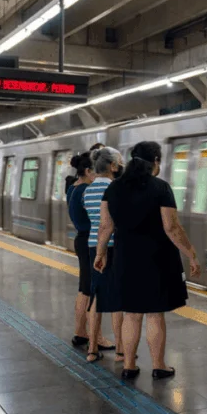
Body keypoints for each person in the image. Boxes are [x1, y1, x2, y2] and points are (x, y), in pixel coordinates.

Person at [94, 141, 200, 380]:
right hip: (157, 258)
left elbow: (105, 226)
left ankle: (129, 366)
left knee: (131, 314)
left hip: (125, 257)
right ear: (155, 161)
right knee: (154, 314)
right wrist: (191, 253)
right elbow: (171, 227)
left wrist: (100, 254)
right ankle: (159, 365)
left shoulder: (113, 189)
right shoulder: (161, 188)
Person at [83, 148, 122, 362]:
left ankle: (91, 349)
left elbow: (95, 221)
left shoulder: (88, 191)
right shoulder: (115, 188)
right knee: (117, 297)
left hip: (92, 245)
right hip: (113, 246)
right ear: (113, 166)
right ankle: (120, 351)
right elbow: (112, 223)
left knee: (96, 294)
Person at [67, 153, 95, 350]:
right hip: (89, 241)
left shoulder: (72, 188)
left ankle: (80, 332)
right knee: (90, 290)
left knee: (84, 288)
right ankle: (91, 336)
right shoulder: (86, 190)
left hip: (81, 239)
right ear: (87, 171)